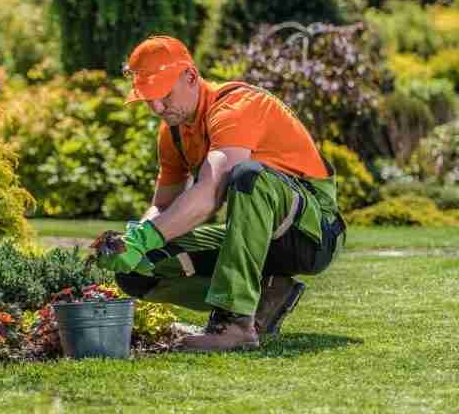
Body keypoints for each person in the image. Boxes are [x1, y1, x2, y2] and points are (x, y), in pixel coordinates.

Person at [92, 35, 346, 351]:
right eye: (148, 99)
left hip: (313, 233)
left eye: (164, 95)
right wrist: (132, 244)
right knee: (139, 272)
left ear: (191, 77)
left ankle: (236, 323)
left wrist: (144, 238)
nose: (157, 107)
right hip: (255, 236)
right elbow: (163, 207)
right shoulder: (172, 133)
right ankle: (269, 293)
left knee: (248, 175)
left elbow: (210, 193)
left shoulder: (235, 108)